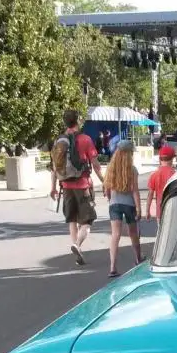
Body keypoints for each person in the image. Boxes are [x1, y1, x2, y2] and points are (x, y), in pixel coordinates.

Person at [50, 109, 105, 266]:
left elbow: (54, 167)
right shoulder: (85, 139)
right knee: (87, 220)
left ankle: (77, 250)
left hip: (65, 185)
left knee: (72, 219)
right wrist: (104, 180)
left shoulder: (59, 141)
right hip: (83, 185)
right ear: (78, 121)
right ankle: (77, 244)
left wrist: (52, 187)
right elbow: (95, 164)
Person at [104, 140, 144, 278]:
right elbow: (135, 191)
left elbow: (107, 189)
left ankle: (112, 267)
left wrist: (111, 200)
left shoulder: (110, 167)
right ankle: (138, 258)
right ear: (129, 153)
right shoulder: (132, 169)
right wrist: (139, 208)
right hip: (129, 205)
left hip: (114, 204)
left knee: (115, 235)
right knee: (133, 233)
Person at [146, 144, 176, 224]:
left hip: (160, 211)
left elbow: (150, 195)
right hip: (174, 210)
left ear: (160, 159)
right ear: (172, 159)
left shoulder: (154, 175)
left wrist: (147, 210)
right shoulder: (175, 175)